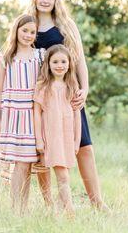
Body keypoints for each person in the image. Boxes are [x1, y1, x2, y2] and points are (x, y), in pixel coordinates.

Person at [28, 0, 108, 210]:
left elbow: (79, 59)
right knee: (42, 151)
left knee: (84, 146)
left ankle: (97, 202)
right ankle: (49, 205)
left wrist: (85, 88)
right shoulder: (28, 25)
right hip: (41, 97)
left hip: (68, 94)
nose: (45, 0)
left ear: (55, 0)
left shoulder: (66, 25)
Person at [0, 14, 44, 213]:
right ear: (16, 30)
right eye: (25, 31)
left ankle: (23, 208)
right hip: (12, 116)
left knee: (27, 164)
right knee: (18, 164)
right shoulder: (5, 57)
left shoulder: (40, 56)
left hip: (32, 115)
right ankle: (16, 209)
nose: (28, 35)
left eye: (32, 32)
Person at [34, 44, 81, 214]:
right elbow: (37, 114)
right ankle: (70, 212)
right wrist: (39, 139)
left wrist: (77, 140)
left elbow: (77, 115)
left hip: (67, 136)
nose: (59, 65)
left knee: (64, 174)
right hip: (51, 137)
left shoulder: (72, 86)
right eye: (55, 62)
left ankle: (59, 212)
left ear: (69, 64)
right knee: (62, 175)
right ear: (48, 64)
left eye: (63, 61)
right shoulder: (43, 86)